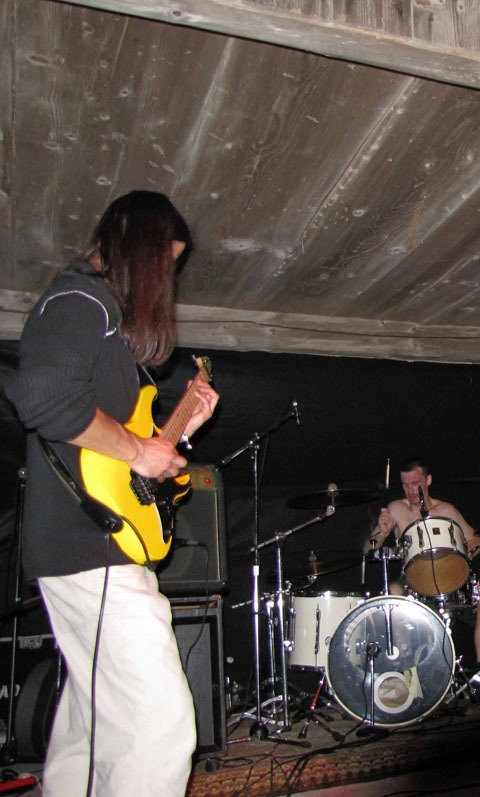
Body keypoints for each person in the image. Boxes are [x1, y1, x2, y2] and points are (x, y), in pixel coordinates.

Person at [6, 191, 219, 796]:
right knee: (159, 727)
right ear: (143, 251)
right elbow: (43, 397)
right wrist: (139, 450)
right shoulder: (81, 300)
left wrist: (176, 433)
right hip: (89, 546)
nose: (168, 280)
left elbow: (118, 454)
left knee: (91, 726)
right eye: (168, 264)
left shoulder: (98, 318)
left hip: (89, 542)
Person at [364, 457, 480, 664]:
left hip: (451, 579)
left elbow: (476, 540)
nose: (409, 490)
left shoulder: (446, 510)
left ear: (428, 480)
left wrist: (461, 556)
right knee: (393, 591)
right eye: (405, 484)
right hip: (413, 581)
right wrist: (382, 533)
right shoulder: (396, 509)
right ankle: (404, 665)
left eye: (415, 483)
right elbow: (368, 549)